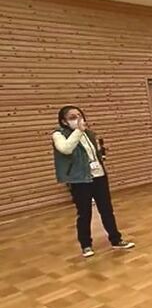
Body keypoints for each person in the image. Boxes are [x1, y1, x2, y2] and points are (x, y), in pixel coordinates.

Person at [52, 106, 135, 258]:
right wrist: (78, 130)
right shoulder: (59, 134)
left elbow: (92, 153)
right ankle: (86, 245)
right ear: (64, 121)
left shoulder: (89, 133)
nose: (77, 119)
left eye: (79, 115)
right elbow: (66, 149)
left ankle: (116, 239)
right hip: (80, 179)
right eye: (72, 117)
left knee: (106, 209)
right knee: (84, 213)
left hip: (98, 176)